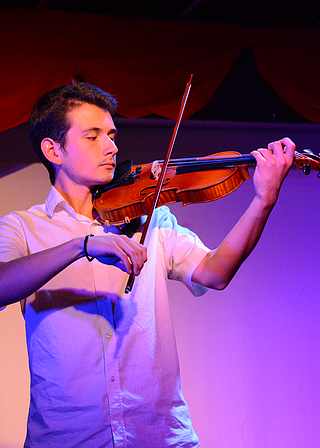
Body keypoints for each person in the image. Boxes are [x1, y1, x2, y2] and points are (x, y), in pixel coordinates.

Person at [0, 81, 295, 448]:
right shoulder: (22, 227)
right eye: (93, 136)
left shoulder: (151, 217)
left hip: (159, 436)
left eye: (111, 134)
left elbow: (215, 272)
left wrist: (263, 201)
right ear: (53, 150)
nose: (111, 147)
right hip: (68, 439)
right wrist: (83, 245)